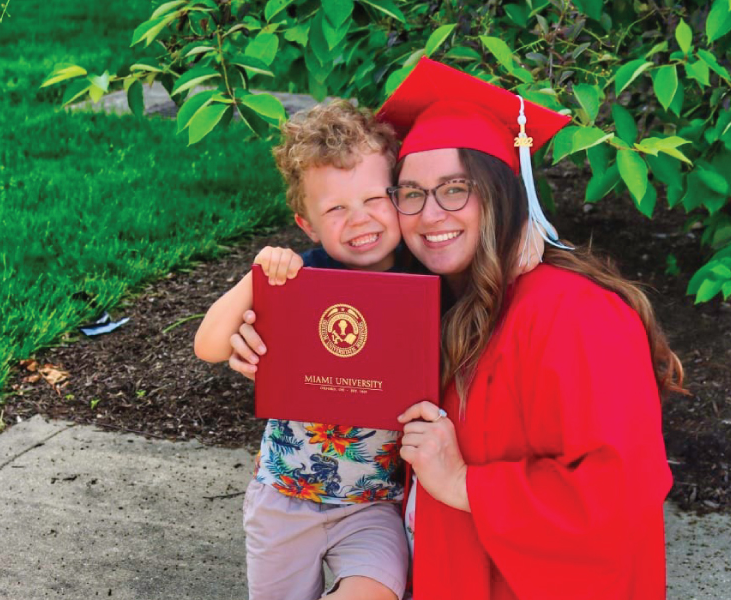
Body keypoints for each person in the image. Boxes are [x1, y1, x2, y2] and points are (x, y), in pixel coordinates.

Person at [230, 58, 684, 599]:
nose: (430, 214)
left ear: (502, 192)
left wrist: (466, 484)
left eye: (454, 188)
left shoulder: (576, 313)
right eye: (412, 193)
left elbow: (620, 493)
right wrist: (274, 354)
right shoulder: (422, 305)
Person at [195, 100, 410, 600]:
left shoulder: (426, 283)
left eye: (375, 198)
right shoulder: (296, 279)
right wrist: (257, 278)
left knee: (376, 592)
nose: (360, 220)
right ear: (308, 224)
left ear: (400, 196)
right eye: (335, 208)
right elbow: (208, 346)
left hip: (373, 504)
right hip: (282, 501)